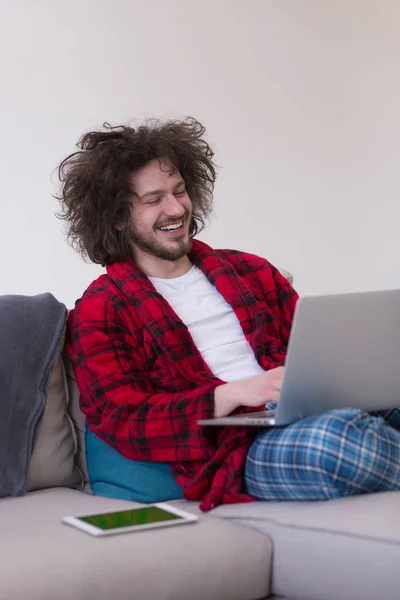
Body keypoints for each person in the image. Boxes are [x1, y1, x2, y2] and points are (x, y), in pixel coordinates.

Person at [59, 118, 400, 511]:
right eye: (154, 200)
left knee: (361, 416)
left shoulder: (251, 271)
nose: (176, 208)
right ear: (117, 217)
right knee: (337, 444)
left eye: (180, 191)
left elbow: (317, 358)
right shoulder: (101, 309)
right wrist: (234, 393)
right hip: (240, 449)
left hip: (308, 409)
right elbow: (123, 420)